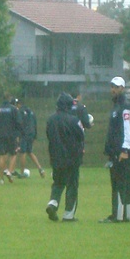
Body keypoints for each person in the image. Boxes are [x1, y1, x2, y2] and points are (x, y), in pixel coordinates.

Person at [99, 76, 130, 223]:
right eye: (112, 86)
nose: (113, 89)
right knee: (124, 182)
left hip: (122, 152)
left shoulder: (124, 107)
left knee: (119, 183)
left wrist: (124, 150)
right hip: (116, 152)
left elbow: (127, 130)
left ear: (122, 88)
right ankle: (128, 214)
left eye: (117, 86)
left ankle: (118, 215)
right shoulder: (116, 107)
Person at [45, 93, 85, 222]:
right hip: (72, 158)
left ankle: (53, 203)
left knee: (57, 183)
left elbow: (48, 136)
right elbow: (81, 136)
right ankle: (68, 214)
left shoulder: (50, 120)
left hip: (56, 158)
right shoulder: (74, 120)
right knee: (72, 185)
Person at [0, 96, 22, 184]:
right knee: (13, 154)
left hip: (0, 136)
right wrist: (19, 134)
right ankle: (9, 171)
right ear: (9, 100)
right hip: (11, 135)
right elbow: (19, 123)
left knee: (1, 155)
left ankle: (1, 179)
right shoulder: (14, 109)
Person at [14, 99, 45, 178]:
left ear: (18, 104)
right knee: (29, 152)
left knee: (22, 153)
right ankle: (40, 168)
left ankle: (22, 172)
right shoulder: (31, 112)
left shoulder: (20, 111)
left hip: (24, 134)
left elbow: (19, 123)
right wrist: (35, 136)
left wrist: (18, 135)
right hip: (32, 134)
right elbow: (35, 123)